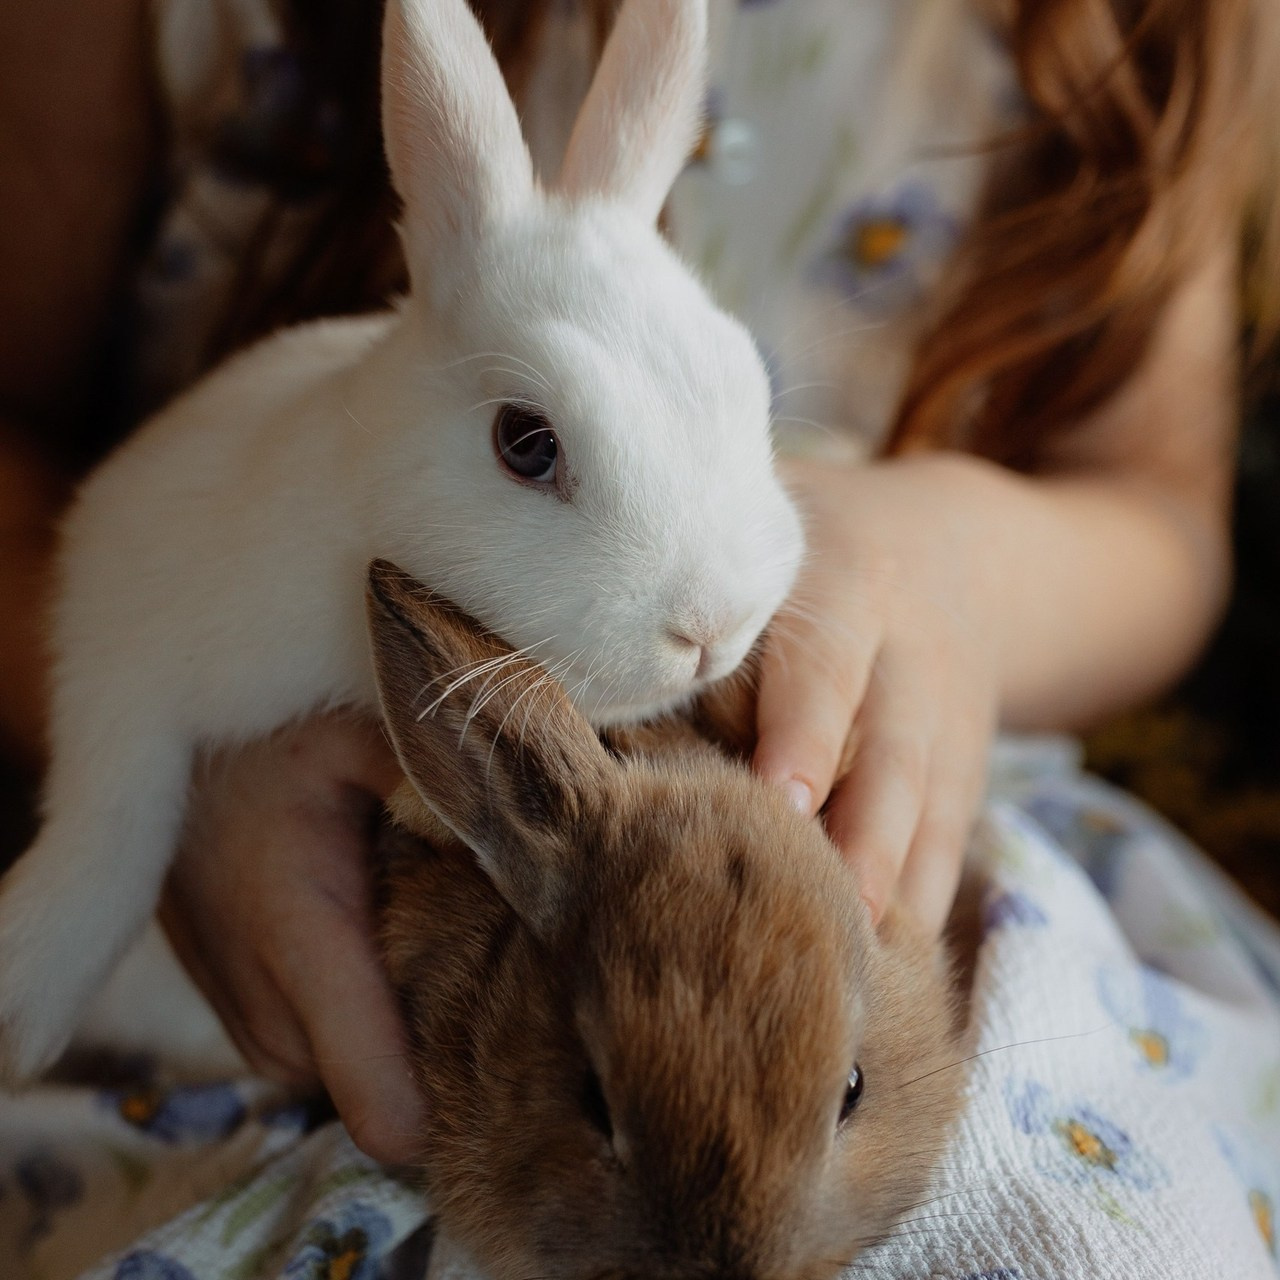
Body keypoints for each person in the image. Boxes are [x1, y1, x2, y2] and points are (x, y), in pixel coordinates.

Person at [0, 0, 1276, 1181]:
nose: (695, 628)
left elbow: (1159, 510)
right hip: (270, 952)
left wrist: (948, 556)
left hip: (910, 833)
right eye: (533, 449)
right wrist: (155, 777)